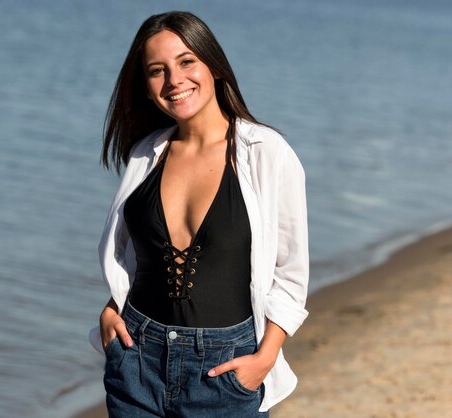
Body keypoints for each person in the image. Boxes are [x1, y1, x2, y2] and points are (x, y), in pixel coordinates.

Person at [88, 10, 309, 417]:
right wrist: (111, 306)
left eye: (186, 61)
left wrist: (264, 359)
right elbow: (135, 254)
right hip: (136, 359)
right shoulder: (145, 154)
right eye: (157, 71)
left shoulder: (265, 152)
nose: (174, 81)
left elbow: (291, 275)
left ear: (214, 66)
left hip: (224, 369)